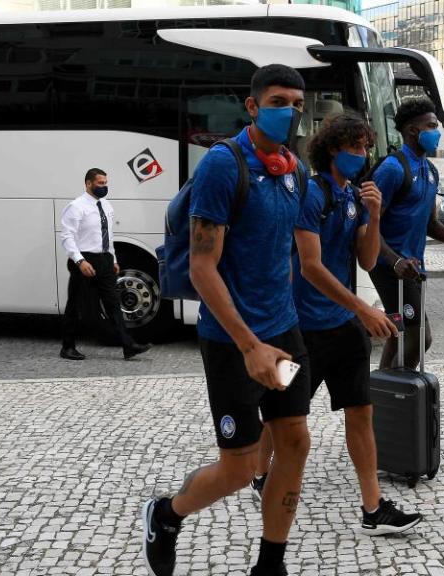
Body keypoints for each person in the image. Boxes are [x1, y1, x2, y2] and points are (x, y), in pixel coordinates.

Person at [140, 64, 312, 576]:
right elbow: (201, 266)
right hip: (233, 342)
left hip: (283, 333)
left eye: (299, 104)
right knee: (239, 468)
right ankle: (167, 514)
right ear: (253, 105)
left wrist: (282, 321)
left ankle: (270, 564)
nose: (291, 111)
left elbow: (285, 251)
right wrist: (249, 344)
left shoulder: (292, 169)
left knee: (296, 443)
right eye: (280, 101)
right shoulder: (223, 164)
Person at [250, 111, 422, 535]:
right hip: (299, 329)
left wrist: (375, 215)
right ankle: (259, 474)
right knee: (284, 414)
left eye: (366, 147)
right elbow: (309, 267)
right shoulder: (311, 194)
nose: (363, 155)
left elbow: (365, 260)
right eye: (356, 148)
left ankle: (373, 508)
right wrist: (365, 308)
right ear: (332, 149)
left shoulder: (352, 196)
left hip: (343, 328)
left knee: (360, 413)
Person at [369, 98, 444, 370]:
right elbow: (368, 227)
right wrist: (395, 261)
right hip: (390, 268)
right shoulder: (393, 169)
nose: (437, 133)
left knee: (397, 334)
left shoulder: (430, 171)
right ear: (412, 131)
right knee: (421, 338)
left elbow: (430, 224)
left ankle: (382, 395)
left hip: (412, 268)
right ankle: (398, 392)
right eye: (431, 126)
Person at [58, 168, 151, 361]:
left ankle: (128, 346)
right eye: (100, 183)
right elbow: (67, 236)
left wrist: (113, 259)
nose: (104, 187)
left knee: (113, 303)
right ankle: (67, 347)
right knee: (75, 305)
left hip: (105, 260)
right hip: (84, 259)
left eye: (106, 183)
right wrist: (79, 260)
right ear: (88, 184)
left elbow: (108, 236)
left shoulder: (106, 206)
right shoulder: (76, 206)